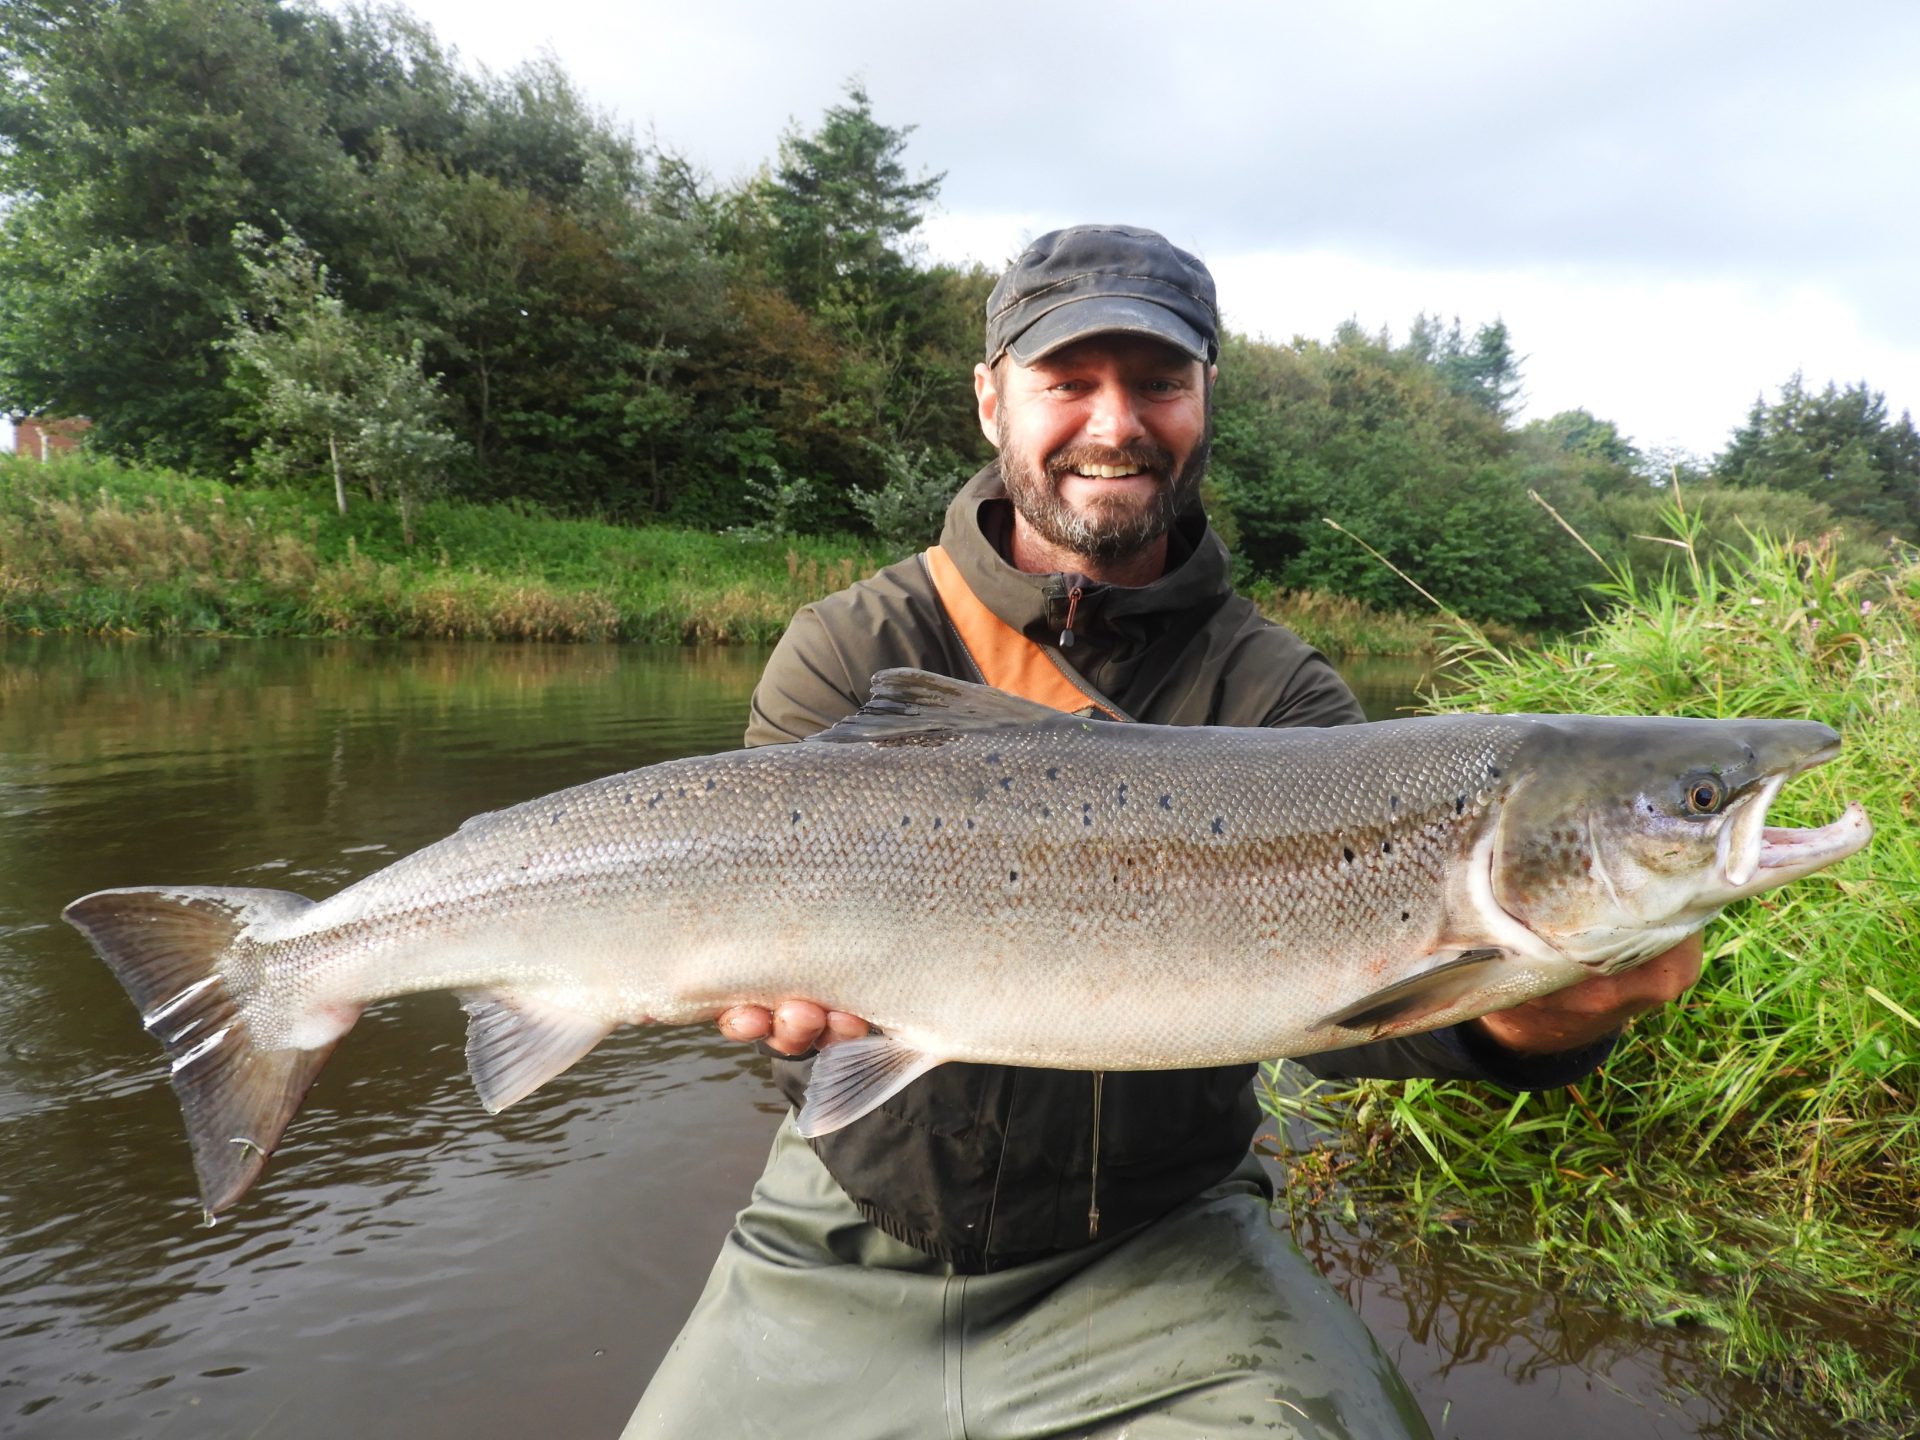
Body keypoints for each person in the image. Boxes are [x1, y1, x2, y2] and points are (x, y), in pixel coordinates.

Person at [623, 225, 1702, 1439]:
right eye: (1068, 382)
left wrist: (1524, 1022)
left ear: (1203, 403)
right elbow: (776, 953)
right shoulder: (856, 645)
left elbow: (1335, 1031)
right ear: (993, 400)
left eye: (1156, 383)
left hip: (1160, 1245)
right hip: (838, 1228)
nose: (1114, 422)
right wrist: (783, 993)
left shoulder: (1284, 699)